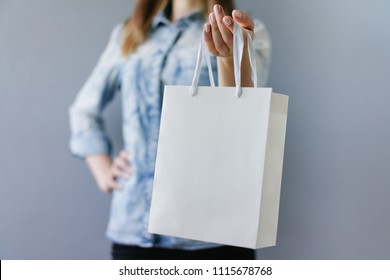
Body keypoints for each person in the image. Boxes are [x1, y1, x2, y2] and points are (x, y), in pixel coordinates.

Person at [69, 0, 270, 260]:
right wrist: (104, 172)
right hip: (133, 229)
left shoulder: (242, 31)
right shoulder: (130, 33)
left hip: (211, 234)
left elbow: (242, 113)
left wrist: (229, 57)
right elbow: (83, 110)